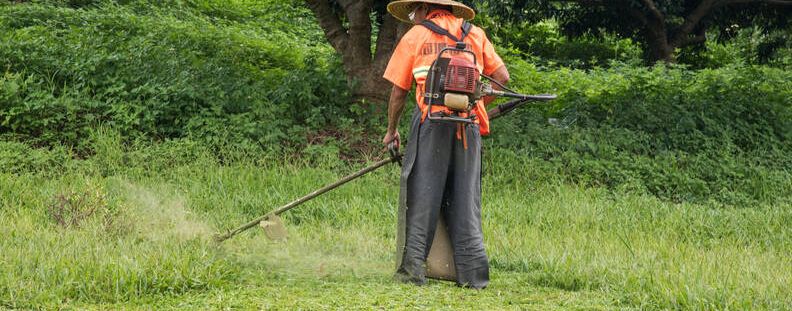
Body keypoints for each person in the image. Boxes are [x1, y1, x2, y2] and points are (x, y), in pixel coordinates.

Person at [381, 0, 510, 289]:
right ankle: (474, 277)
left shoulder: (415, 36)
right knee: (466, 200)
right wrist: (475, 107)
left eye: (415, 11)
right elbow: (501, 79)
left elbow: (399, 92)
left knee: (423, 198)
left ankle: (413, 271)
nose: (414, 16)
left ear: (426, 8)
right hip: (469, 126)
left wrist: (391, 131)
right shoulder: (474, 33)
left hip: (432, 125)